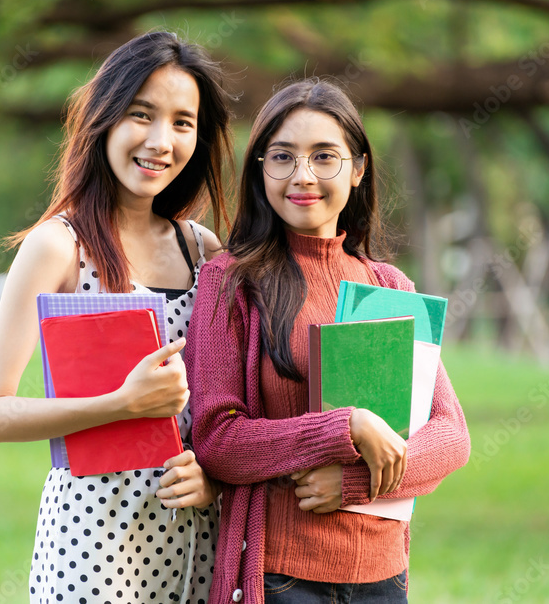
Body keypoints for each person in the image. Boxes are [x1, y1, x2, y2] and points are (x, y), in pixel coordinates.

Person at [0, 31, 233, 604]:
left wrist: (212, 478)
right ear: (105, 117)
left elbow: (221, 406)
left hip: (192, 547)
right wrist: (121, 405)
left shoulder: (203, 250)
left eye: (183, 122)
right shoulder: (59, 246)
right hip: (91, 548)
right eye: (143, 114)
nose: (161, 141)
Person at [184, 79, 471, 603]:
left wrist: (355, 482)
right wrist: (347, 425)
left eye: (324, 157)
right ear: (259, 169)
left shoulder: (388, 286)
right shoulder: (230, 282)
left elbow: (450, 435)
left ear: (358, 169)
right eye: (282, 156)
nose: (303, 176)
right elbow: (218, 442)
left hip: (383, 576)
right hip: (279, 577)